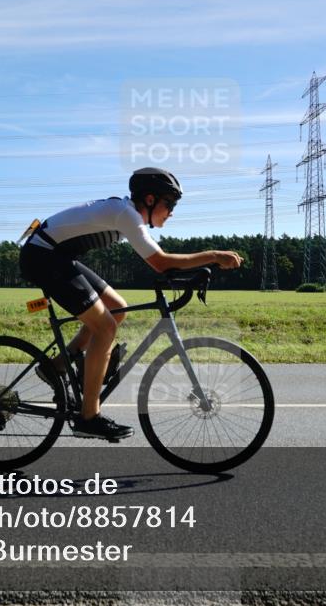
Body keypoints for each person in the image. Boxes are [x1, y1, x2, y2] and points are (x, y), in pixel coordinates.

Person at [18, 167, 244, 440]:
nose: (171, 212)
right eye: (169, 204)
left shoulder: (126, 213)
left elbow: (161, 262)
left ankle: (56, 368)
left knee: (116, 308)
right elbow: (160, 262)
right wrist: (214, 256)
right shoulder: (127, 215)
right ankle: (89, 417)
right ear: (150, 200)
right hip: (44, 257)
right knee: (105, 328)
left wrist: (193, 272)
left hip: (56, 256)